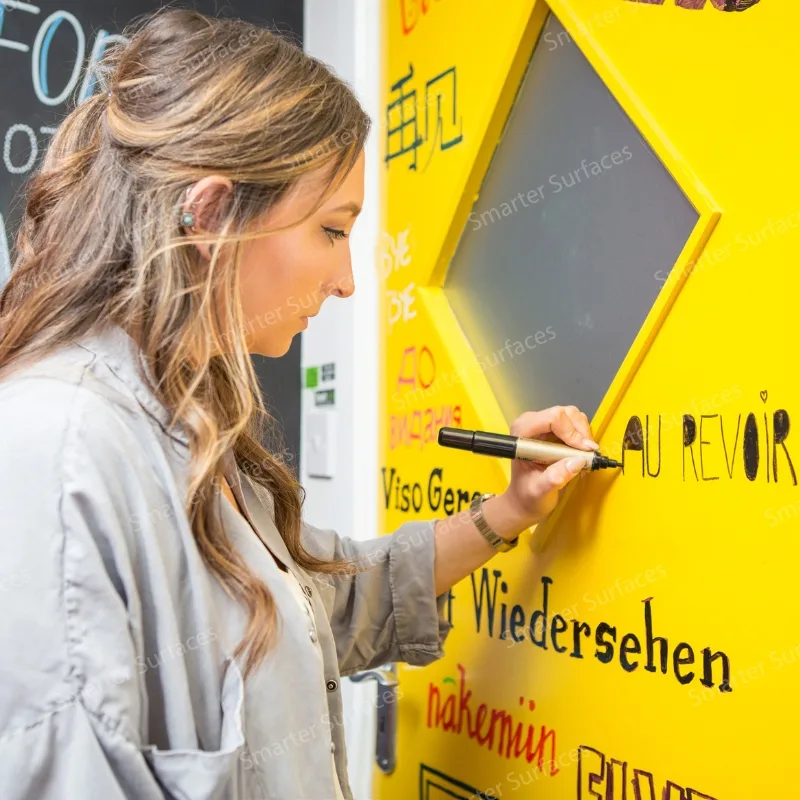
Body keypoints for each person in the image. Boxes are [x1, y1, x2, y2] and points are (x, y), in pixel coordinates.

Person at [0, 9, 597, 799]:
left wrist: (508, 510)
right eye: (330, 230)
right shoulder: (61, 445)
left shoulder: (183, 426)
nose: (347, 280)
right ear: (210, 214)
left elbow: (325, 606)